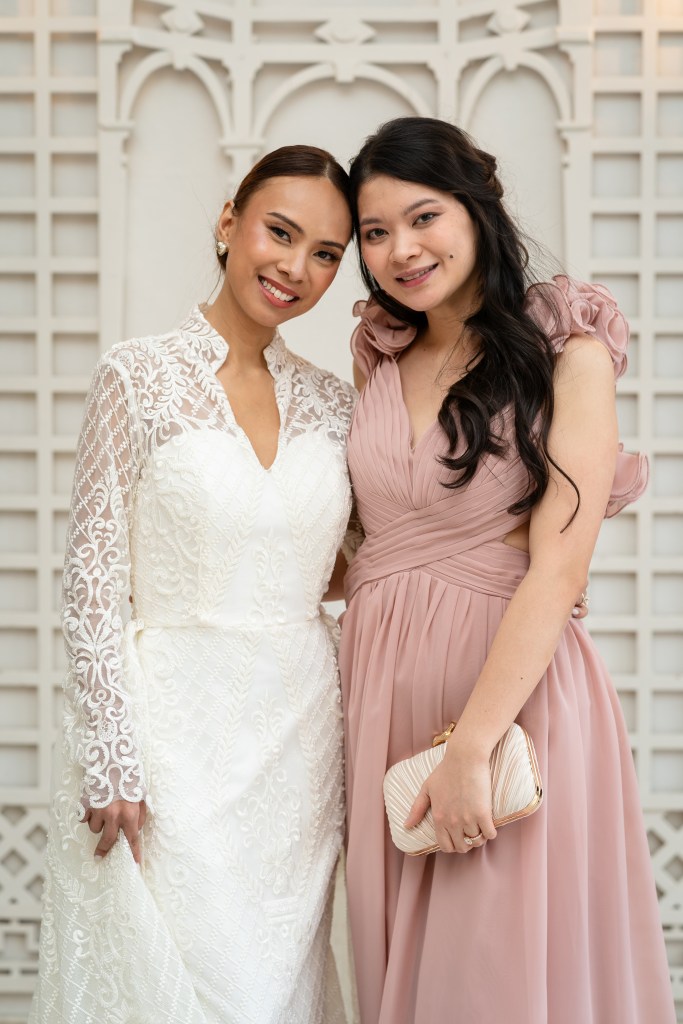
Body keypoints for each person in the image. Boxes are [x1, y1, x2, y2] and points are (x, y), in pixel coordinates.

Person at [338, 117, 675, 1023]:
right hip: (378, 693)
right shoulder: (379, 355)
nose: (401, 251)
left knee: (492, 982)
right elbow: (365, 544)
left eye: (423, 217)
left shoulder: (569, 350)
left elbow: (559, 567)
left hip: (507, 702)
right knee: (396, 976)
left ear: (476, 205)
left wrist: (472, 747)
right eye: (374, 233)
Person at [30, 145, 359, 1024]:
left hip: (299, 745)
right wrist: (112, 755)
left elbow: (369, 558)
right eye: (279, 233)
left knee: (278, 989)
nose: (295, 267)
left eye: (325, 253)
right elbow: (92, 578)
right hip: (172, 737)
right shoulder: (135, 377)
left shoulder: (335, 404)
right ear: (227, 222)